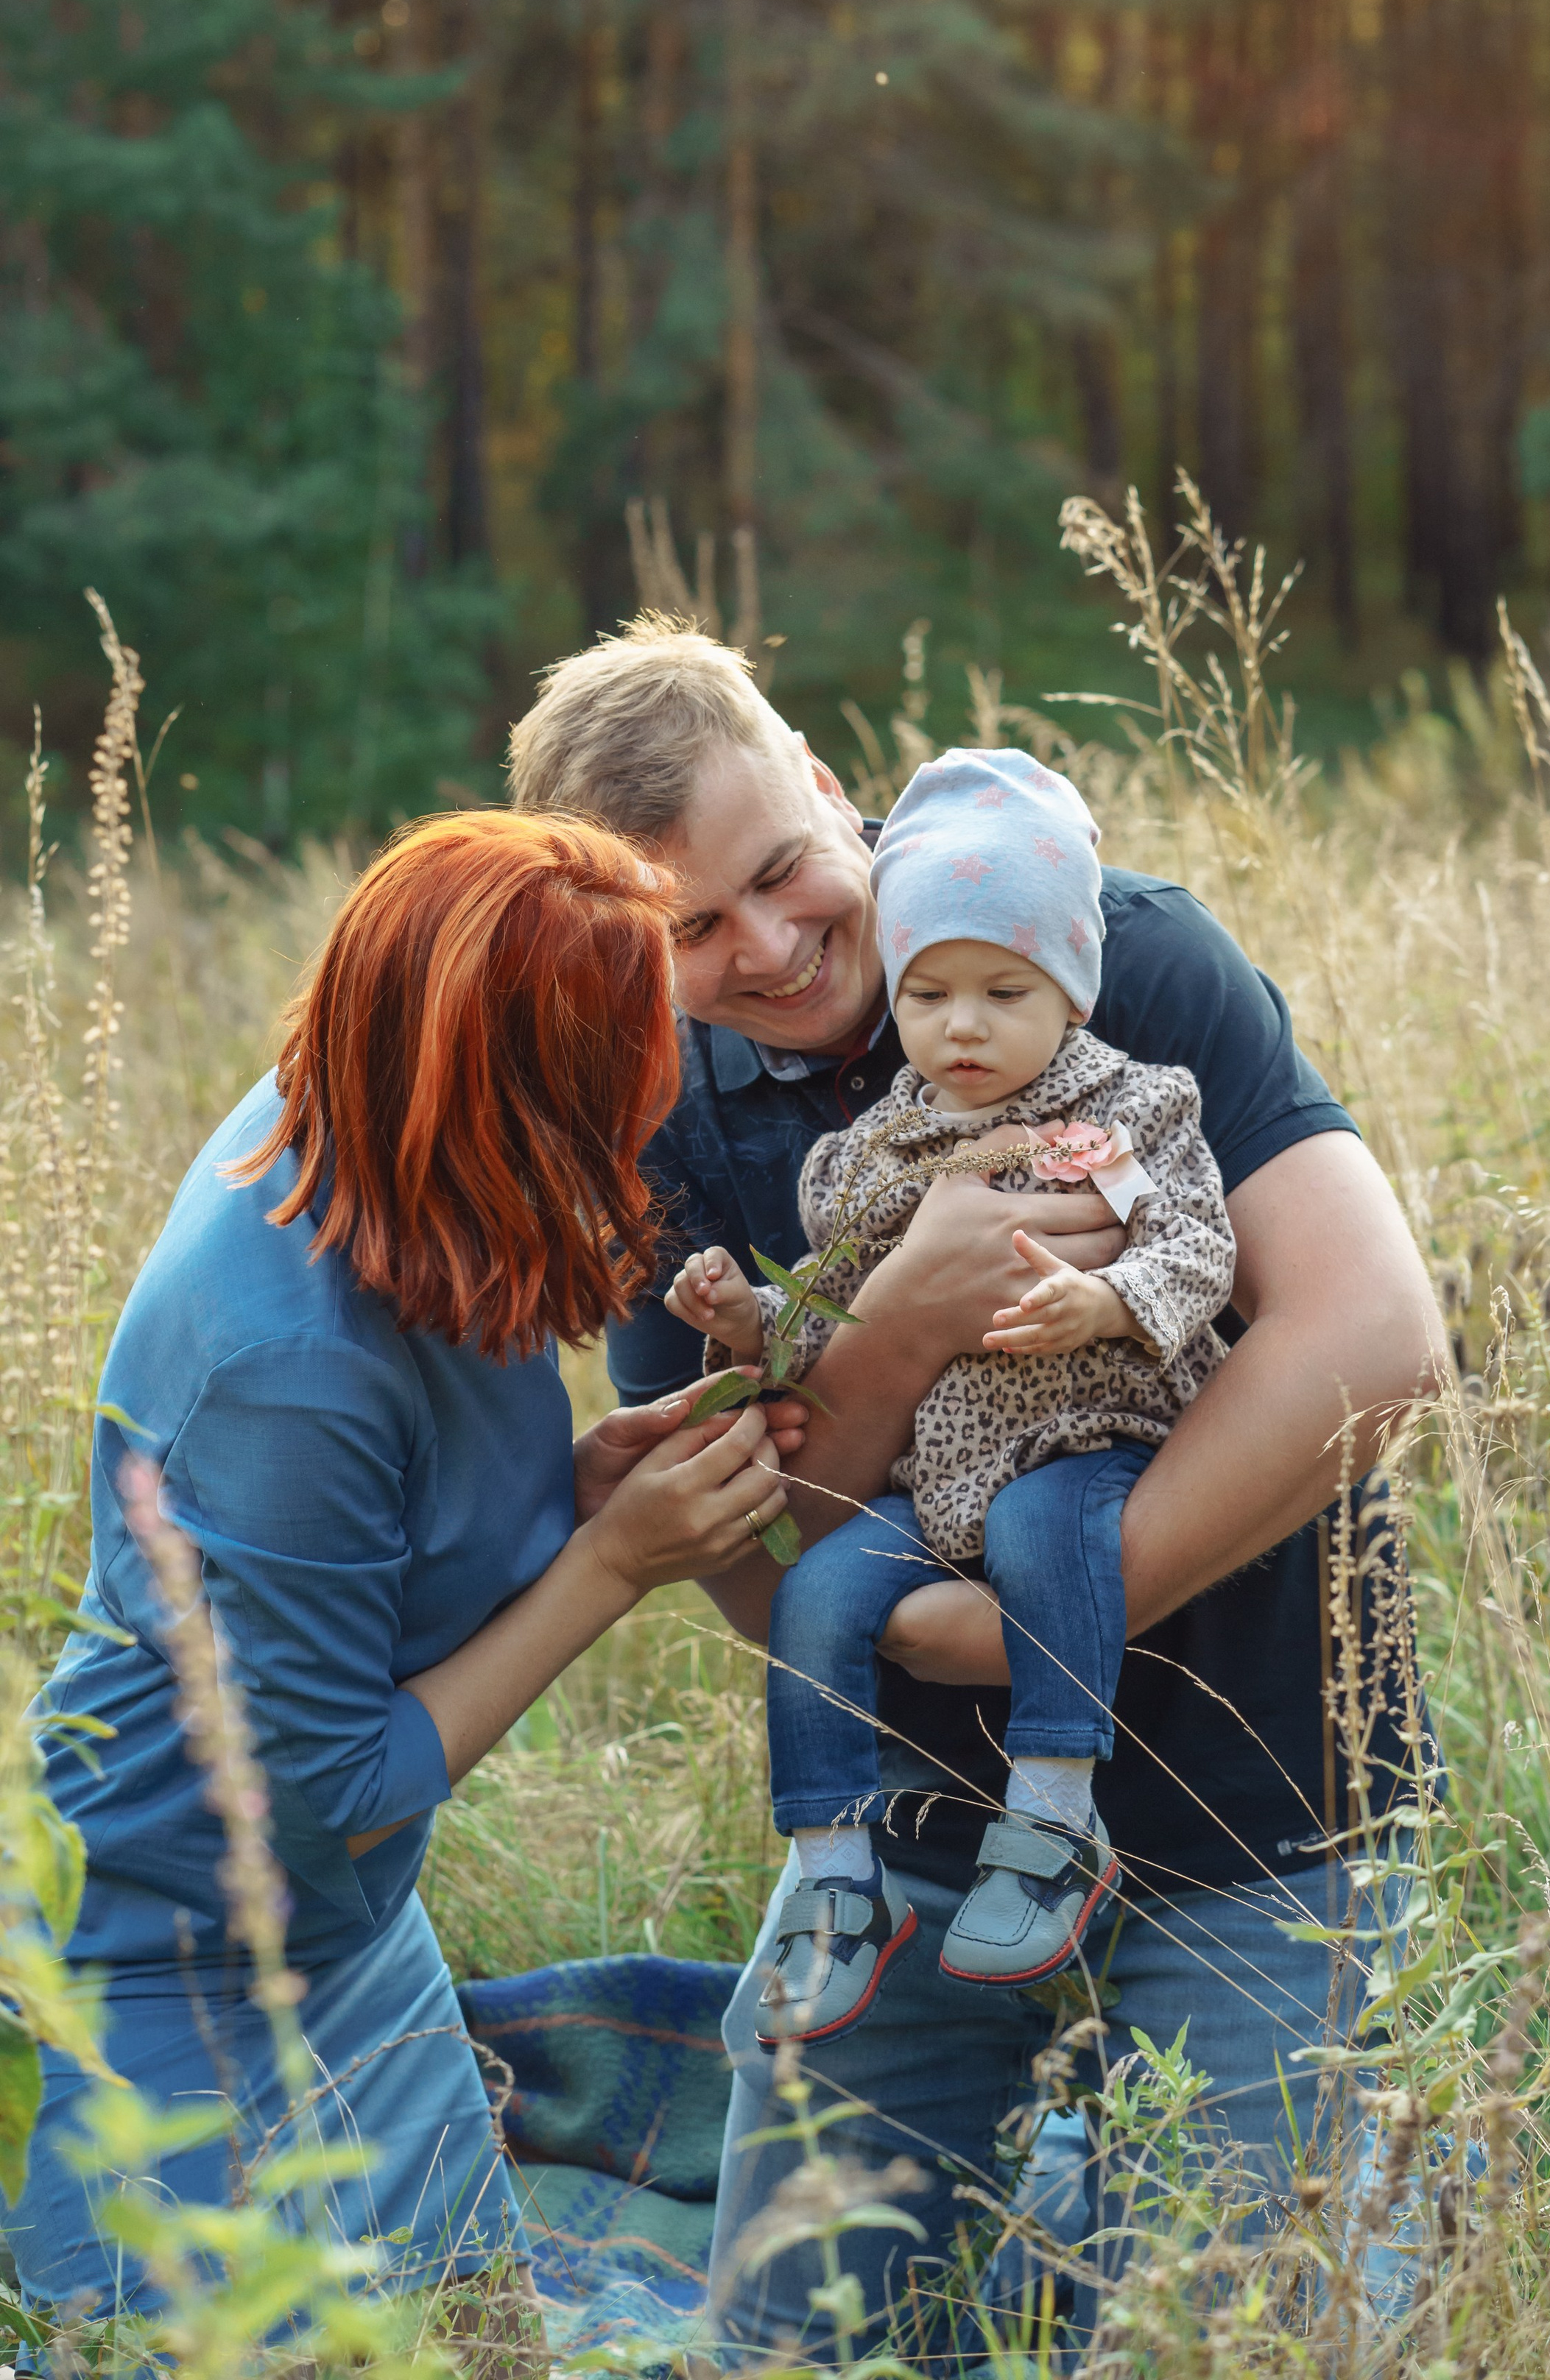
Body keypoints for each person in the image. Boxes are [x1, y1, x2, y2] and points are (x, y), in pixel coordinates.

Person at [507, 620, 1446, 2359]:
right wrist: (909, 1311)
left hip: (1261, 1786)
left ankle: (1146, 2219)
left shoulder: (1109, 950)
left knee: (1227, 2340)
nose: (774, 946)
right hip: (908, 1838)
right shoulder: (650, 1124)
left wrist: (1036, 1639)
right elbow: (743, 1559)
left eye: (785, 873)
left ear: (822, 782)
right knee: (796, 2348)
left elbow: (1374, 1336)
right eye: (694, 930)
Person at [7, 812, 797, 2328]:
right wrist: (612, 1567)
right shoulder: (283, 1366)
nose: (651, 1135)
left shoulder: (403, 1135)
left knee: (479, 2340)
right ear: (519, 1105)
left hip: (349, 1930)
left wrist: (577, 1493)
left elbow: (384, 1553)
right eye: (620, 1104)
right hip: (169, 1951)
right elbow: (333, 1799)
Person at [665, 747, 1237, 2035]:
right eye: (928, 994)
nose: (962, 1028)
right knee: (814, 1593)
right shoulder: (881, 1146)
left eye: (1002, 992)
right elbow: (825, 1307)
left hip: (1093, 1437)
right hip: (938, 1481)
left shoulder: (1122, 1115)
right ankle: (831, 1873)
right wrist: (745, 1318)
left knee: (1046, 1534)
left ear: (1072, 992)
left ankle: (1051, 1818)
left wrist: (1108, 1300)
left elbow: (1197, 1245)